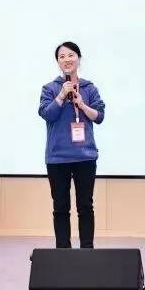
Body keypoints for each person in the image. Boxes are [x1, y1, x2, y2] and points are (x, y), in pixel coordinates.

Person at [37, 42, 106, 249]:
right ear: (58, 62)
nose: (67, 59)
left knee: (85, 206)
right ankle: (63, 253)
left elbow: (99, 116)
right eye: (62, 56)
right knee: (60, 208)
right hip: (58, 157)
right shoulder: (50, 88)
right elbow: (46, 114)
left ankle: (87, 251)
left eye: (71, 55)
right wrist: (61, 96)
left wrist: (82, 104)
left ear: (79, 59)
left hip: (85, 155)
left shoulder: (89, 88)